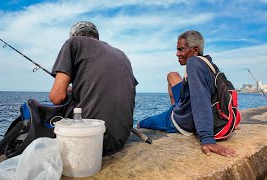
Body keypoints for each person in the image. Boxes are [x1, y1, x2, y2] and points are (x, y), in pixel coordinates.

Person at [138, 30, 238, 157]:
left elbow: (201, 99)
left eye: (181, 50)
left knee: (142, 123)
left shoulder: (193, 63)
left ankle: (173, 114)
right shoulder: (209, 64)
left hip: (181, 120)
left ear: (195, 50)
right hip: (185, 102)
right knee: (172, 75)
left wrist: (208, 140)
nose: (177, 54)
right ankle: (176, 106)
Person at [49, 21, 138, 156]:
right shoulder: (121, 54)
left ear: (73, 35)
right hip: (120, 140)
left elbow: (56, 97)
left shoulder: (73, 43)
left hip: (90, 140)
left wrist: (66, 90)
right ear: (96, 36)